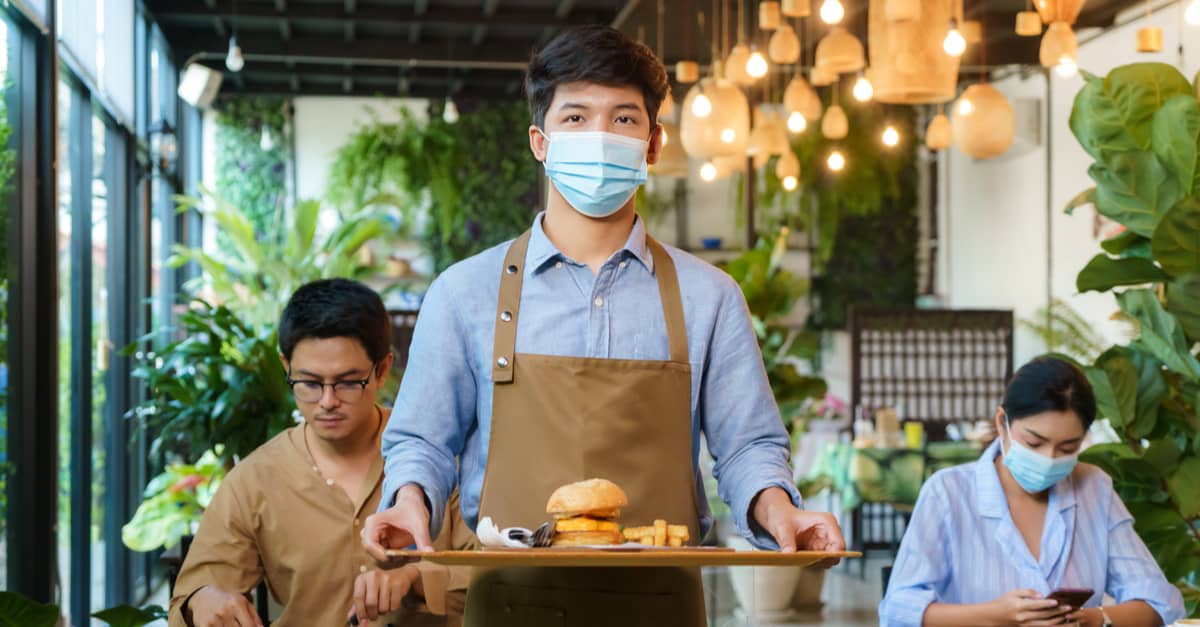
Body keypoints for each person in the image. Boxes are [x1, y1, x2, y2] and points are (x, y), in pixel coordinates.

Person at [362, 24, 845, 626]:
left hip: (662, 606)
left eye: (623, 119)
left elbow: (748, 446)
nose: (598, 136)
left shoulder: (710, 298)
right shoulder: (464, 294)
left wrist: (781, 514)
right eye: (575, 118)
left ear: (653, 144)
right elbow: (423, 441)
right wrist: (411, 503)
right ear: (540, 141)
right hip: (511, 602)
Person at [168, 279, 472, 627]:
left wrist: (416, 577)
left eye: (347, 382)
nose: (327, 401)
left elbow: (495, 569)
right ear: (287, 368)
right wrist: (204, 600)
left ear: (383, 369)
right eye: (310, 383)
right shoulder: (255, 480)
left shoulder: (437, 461)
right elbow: (192, 593)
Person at [879, 357, 1185, 627]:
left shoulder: (1095, 488)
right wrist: (997, 616)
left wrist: (1091, 620)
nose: (1049, 458)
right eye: (1034, 443)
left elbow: (1159, 602)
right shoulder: (948, 492)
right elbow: (897, 611)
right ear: (1003, 423)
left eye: (1068, 447)